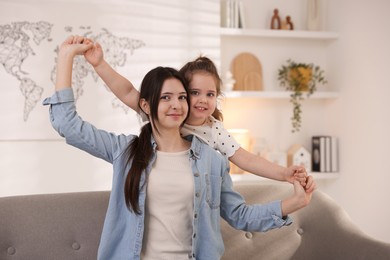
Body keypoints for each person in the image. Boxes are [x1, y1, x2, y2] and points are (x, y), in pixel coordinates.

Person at [43, 35, 316, 260]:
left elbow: (239, 214)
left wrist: (295, 201)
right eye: (166, 97)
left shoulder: (212, 159)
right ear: (147, 106)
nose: (177, 104)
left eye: (182, 97)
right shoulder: (125, 152)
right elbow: (69, 125)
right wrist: (66, 57)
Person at [82, 38, 312, 190]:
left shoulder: (213, 130)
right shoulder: (166, 115)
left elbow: (245, 158)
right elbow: (127, 91)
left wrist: (284, 174)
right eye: (194, 93)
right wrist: (99, 63)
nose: (203, 100)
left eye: (210, 94)